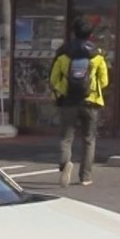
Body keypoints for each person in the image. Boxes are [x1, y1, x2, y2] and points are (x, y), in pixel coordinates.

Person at [50, 18, 109, 188]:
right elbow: (104, 82)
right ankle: (85, 177)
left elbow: (53, 79)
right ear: (90, 35)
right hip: (90, 102)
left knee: (66, 138)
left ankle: (65, 164)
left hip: (68, 101)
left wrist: (63, 88)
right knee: (89, 139)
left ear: (73, 33)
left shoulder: (63, 55)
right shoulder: (97, 56)